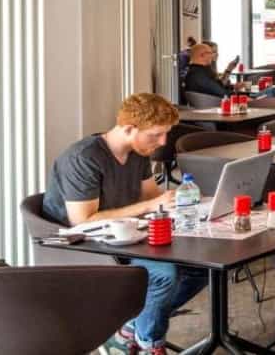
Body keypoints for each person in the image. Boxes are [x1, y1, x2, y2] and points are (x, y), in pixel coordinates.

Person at [42, 93, 206, 355]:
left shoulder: (138, 152)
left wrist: (185, 206)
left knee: (202, 267)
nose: (163, 142)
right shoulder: (83, 158)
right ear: (129, 129)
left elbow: (152, 198)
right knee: (164, 274)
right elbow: (82, 221)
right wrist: (150, 206)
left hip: (125, 235)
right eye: (156, 134)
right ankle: (150, 343)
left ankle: (129, 329)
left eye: (166, 134)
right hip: (84, 245)